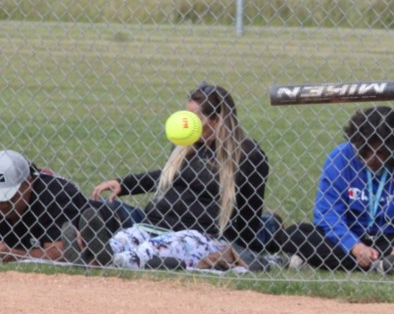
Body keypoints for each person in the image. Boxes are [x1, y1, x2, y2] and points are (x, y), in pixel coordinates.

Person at [71, 83, 270, 266]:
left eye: (195, 118)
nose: (186, 124)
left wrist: (244, 252)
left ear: (217, 120)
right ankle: (98, 254)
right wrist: (125, 184)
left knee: (152, 249)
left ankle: (107, 262)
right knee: (126, 238)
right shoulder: (187, 143)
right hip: (158, 223)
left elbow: (249, 215)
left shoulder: (247, 156)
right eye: (186, 116)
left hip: (200, 235)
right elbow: (169, 176)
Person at [279, 106, 394, 274]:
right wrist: (354, 246)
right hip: (346, 237)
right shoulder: (340, 157)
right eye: (366, 151)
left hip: (390, 239)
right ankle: (381, 266)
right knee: (295, 234)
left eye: (381, 152)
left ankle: (317, 261)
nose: (372, 159)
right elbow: (327, 213)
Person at [0, 150, 89, 262]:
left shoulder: (55, 195)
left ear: (28, 184)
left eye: (9, 197)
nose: (2, 204)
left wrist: (12, 254)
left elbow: (60, 253)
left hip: (107, 222)